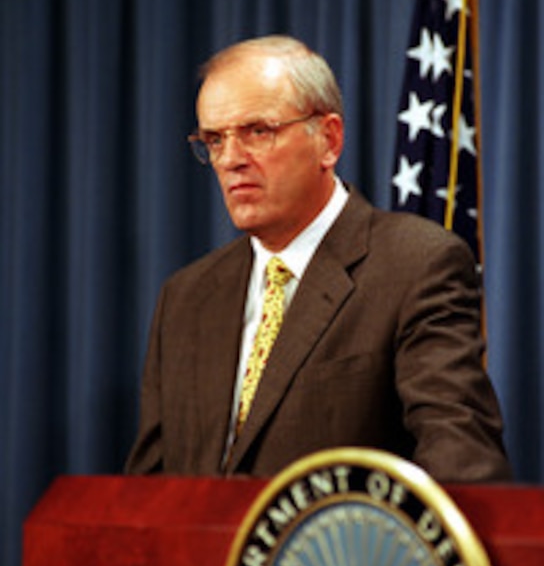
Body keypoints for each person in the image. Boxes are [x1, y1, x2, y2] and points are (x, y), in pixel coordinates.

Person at [125, 35, 511, 482]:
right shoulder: (186, 298)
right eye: (213, 140)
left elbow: (463, 465)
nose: (230, 159)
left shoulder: (415, 266)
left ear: (328, 140)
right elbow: (148, 494)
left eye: (257, 132)